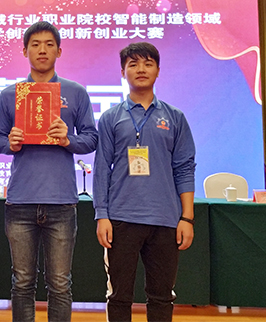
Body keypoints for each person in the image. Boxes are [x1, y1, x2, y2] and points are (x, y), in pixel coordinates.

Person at [0, 21, 98, 322]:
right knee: (22, 282)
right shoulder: (10, 94)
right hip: (21, 201)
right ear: (25, 51)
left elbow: (91, 139)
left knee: (60, 284)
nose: (42, 50)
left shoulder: (75, 92)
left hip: (61, 201)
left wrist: (68, 140)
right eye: (36, 44)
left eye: (49, 44)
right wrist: (10, 142)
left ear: (59, 51)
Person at [93, 42, 196, 322]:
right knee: (119, 296)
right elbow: (101, 169)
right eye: (133, 64)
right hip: (121, 219)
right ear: (123, 72)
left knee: (162, 296)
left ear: (158, 70)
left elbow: (184, 168)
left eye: (148, 63)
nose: (141, 69)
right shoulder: (111, 117)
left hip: (165, 219)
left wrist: (187, 217)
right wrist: (102, 215)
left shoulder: (174, 118)